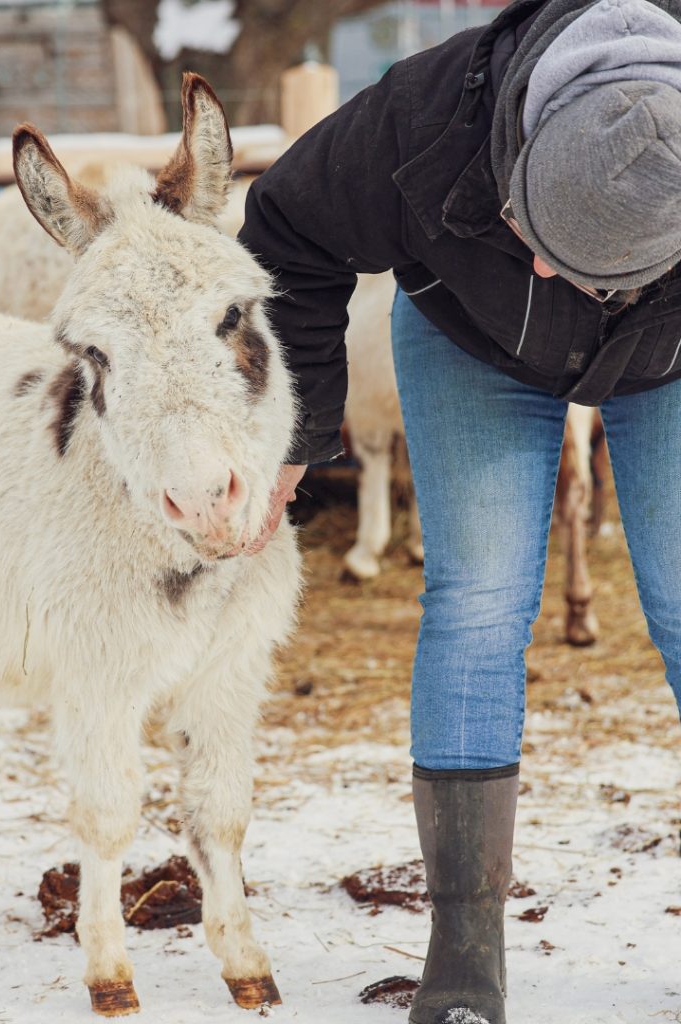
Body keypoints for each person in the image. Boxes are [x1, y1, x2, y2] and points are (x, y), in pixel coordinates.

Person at [237, 0, 681, 1021]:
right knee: (478, 604)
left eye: (575, 269)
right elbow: (287, 230)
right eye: (534, 232)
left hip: (664, 361)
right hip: (471, 338)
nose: (542, 261)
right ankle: (465, 949)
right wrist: (298, 434)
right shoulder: (428, 117)